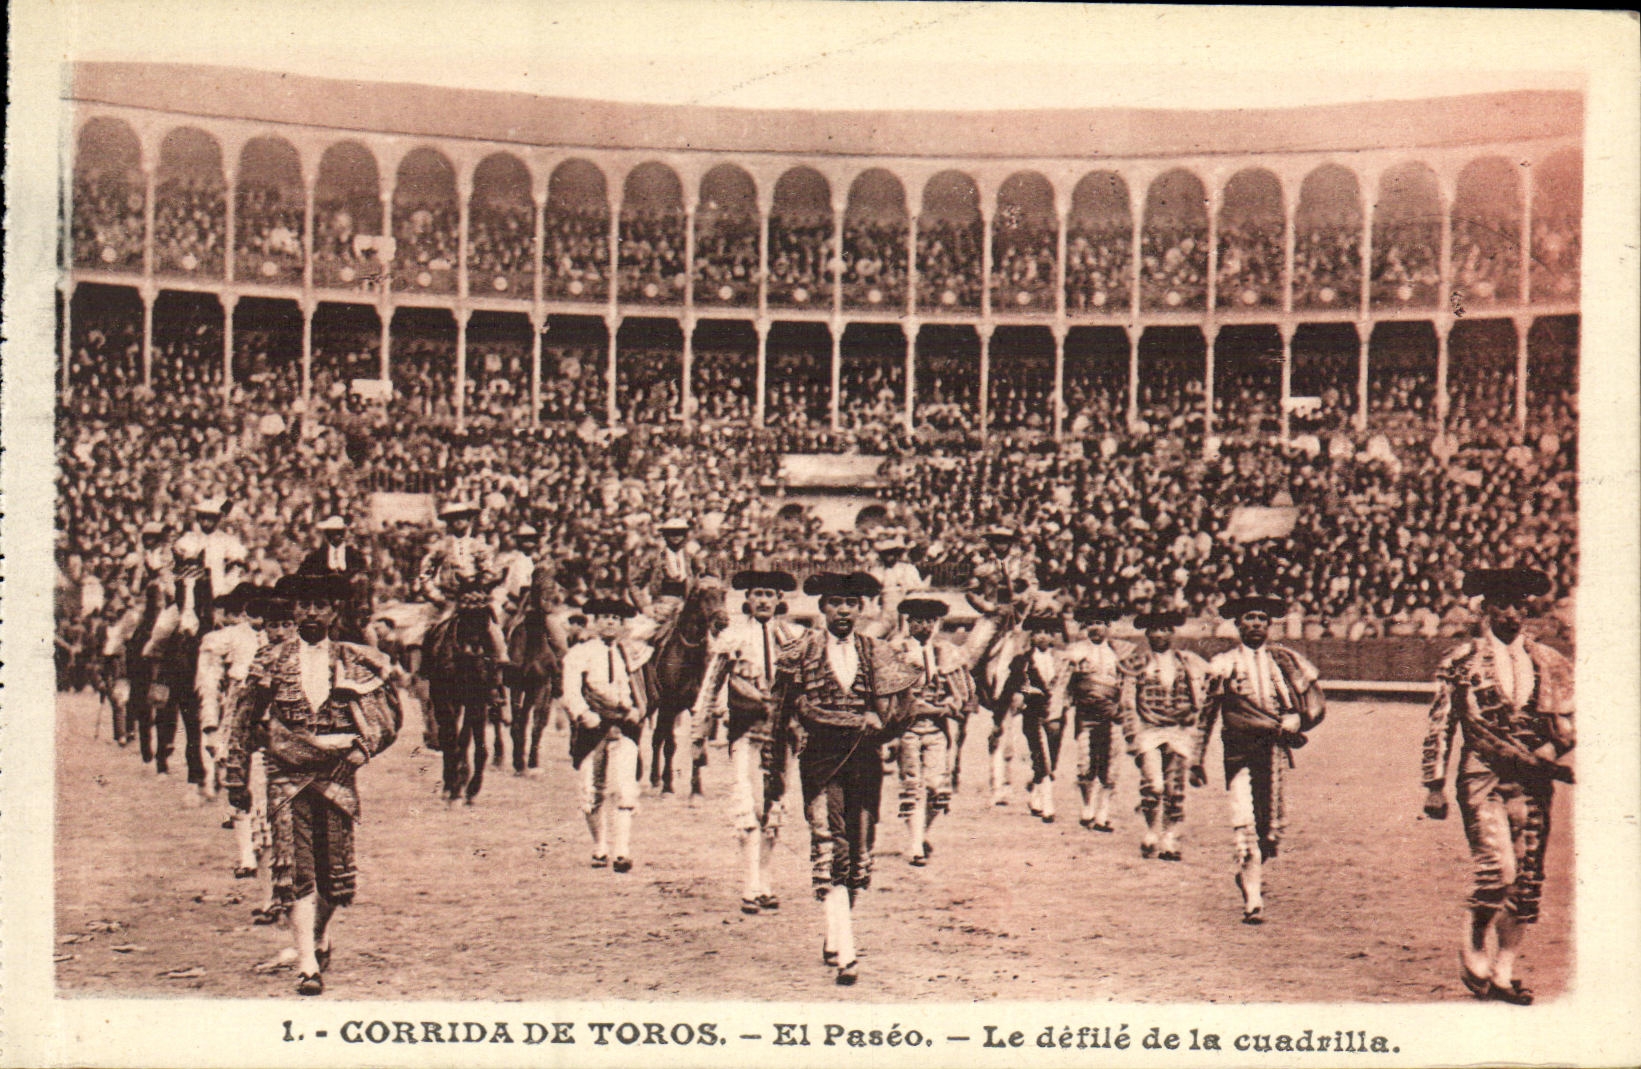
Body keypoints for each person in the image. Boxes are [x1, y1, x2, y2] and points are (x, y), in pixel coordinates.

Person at [224, 573, 401, 996]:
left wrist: (363, 750)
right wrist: (236, 774)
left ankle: (318, 936)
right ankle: (307, 963)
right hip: (285, 776)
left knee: (336, 878)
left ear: (334, 611)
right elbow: (243, 718)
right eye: (303, 605)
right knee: (294, 869)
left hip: (337, 776)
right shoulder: (270, 659)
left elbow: (388, 718)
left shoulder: (356, 659)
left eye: (319, 605)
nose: (309, 613)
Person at [1421, 567, 1574, 1005]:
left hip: (1533, 776)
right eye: (1503, 605)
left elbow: (1566, 722)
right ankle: (1473, 932)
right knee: (1497, 872)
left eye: (1519, 605)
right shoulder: (1461, 661)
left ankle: (1504, 972)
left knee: (1526, 880)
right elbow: (1440, 726)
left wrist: (1552, 750)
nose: (1512, 613)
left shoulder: (1549, 660)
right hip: (1482, 774)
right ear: (1486, 610)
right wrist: (1434, 784)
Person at [770, 572, 920, 985]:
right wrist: (773, 775)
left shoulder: (875, 651)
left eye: (851, 603)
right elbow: (780, 712)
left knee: (857, 856)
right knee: (829, 847)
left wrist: (882, 722)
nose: (843, 610)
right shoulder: (801, 650)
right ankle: (846, 951)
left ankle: (837, 932)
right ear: (822, 608)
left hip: (865, 761)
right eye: (835, 602)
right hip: (819, 760)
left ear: (861, 609)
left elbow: (906, 708)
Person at [1196, 589, 1326, 924]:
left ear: (1269, 626)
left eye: (1261, 619)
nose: (1255, 624)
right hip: (1239, 752)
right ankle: (1253, 897)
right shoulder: (1223, 664)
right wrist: (1196, 758)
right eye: (1249, 618)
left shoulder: (1283, 661)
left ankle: (1249, 873)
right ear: (1237, 625)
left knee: (1271, 833)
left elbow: (1314, 705)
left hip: (1274, 750)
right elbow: (1206, 714)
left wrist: (1299, 719)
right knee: (1246, 827)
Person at [693, 570, 805, 912]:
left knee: (774, 806)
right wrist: (699, 734)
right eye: (757, 593)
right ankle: (749, 884)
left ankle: (765, 881)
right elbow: (712, 685)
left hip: (781, 732)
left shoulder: (793, 636)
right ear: (748, 598)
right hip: (745, 731)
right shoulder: (733, 636)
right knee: (746, 803)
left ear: (778, 600)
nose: (763, 600)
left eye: (769, 594)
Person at [561, 597, 650, 873]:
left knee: (625, 788)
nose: (610, 622)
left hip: (624, 726)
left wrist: (637, 710)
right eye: (604, 617)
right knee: (591, 788)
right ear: (595, 622)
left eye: (615, 618)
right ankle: (600, 846)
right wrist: (584, 715)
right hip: (593, 727)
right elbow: (572, 691)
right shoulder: (579, 653)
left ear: (622, 624)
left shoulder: (631, 654)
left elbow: (641, 690)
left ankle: (622, 850)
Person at [886, 597, 973, 865]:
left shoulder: (944, 651)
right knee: (912, 786)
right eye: (918, 620)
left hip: (936, 728)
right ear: (908, 622)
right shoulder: (896, 650)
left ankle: (920, 833)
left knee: (938, 789)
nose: (925, 626)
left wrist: (951, 703)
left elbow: (961, 691)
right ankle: (914, 845)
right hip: (907, 727)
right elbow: (890, 693)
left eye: (930, 621)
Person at [1117, 610, 1208, 860]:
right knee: (1153, 785)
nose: (1160, 634)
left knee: (1174, 787)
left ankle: (1169, 837)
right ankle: (1150, 830)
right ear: (1147, 634)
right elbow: (1127, 703)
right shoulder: (1137, 663)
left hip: (1178, 731)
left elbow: (1200, 696)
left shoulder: (1186, 661)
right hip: (1148, 730)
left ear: (1172, 633)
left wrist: (1192, 715)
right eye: (1155, 629)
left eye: (1165, 629)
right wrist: (1132, 735)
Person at [196, 583, 269, 832]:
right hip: (240, 711)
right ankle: (248, 824)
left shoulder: (283, 635)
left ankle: (261, 825)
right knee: (240, 771)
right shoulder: (222, 639)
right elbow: (209, 684)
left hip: (274, 712)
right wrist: (210, 724)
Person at [1061, 604, 1129, 832]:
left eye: (1100, 623)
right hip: (1086, 713)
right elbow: (1064, 682)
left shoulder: (1120, 652)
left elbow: (1128, 683)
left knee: (1111, 764)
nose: (1095, 628)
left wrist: (1123, 708)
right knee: (1085, 762)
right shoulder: (1075, 651)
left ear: (1108, 626)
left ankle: (1103, 813)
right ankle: (1087, 807)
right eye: (1090, 623)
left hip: (1112, 713)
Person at [416, 501, 509, 664]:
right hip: (449, 597)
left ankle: (501, 662)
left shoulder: (479, 545)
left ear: (470, 520)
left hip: (475, 595)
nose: (458, 521)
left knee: (494, 625)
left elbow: (488, 569)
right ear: (448, 522)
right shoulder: (439, 546)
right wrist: (436, 596)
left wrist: (483, 583)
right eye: (454, 518)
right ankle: (426, 666)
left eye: (463, 518)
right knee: (432, 629)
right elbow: (425, 574)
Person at [1002, 614, 1070, 823]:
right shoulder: (1021, 661)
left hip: (1057, 714)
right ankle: (1047, 804)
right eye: (1038, 632)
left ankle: (1035, 795)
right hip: (1033, 714)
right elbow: (1013, 686)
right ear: (1031, 636)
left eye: (1047, 633)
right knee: (1042, 755)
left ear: (1053, 637)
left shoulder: (1063, 661)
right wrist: (1024, 693)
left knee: (1052, 756)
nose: (1042, 637)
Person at [297, 515, 373, 644]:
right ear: (326, 534)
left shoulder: (355, 556)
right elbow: (302, 580)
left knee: (366, 635)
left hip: (350, 606)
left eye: (339, 532)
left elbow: (365, 581)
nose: (336, 536)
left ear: (344, 533)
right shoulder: (314, 557)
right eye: (331, 532)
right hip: (325, 603)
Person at [625, 517, 701, 641]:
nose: (676, 536)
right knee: (638, 640)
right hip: (659, 610)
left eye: (680, 533)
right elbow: (634, 584)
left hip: (686, 609)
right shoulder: (653, 558)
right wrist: (644, 607)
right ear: (665, 535)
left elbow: (700, 582)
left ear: (685, 535)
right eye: (671, 533)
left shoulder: (692, 558)